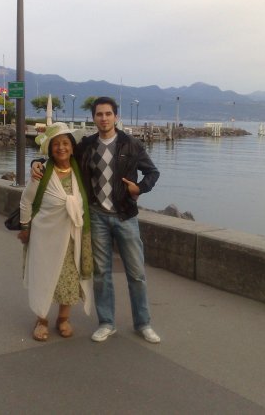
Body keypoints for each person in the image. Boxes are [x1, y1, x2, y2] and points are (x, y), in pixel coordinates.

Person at [32, 97, 161, 343]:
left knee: (136, 274)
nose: (104, 118)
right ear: (94, 118)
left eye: (108, 114)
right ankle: (107, 323)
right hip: (97, 216)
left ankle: (143, 323)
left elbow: (152, 172)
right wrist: (36, 162)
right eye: (99, 114)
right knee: (101, 274)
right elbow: (61, 155)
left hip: (125, 215)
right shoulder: (87, 145)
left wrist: (140, 188)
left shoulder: (131, 144)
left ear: (116, 117)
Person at [18, 122, 93, 341]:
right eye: (56, 144)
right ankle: (41, 320)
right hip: (44, 237)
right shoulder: (41, 173)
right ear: (50, 149)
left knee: (69, 279)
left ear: (72, 147)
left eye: (65, 143)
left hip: (72, 237)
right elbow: (26, 201)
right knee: (43, 276)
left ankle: (63, 319)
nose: (61, 148)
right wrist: (25, 227)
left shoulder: (79, 171)